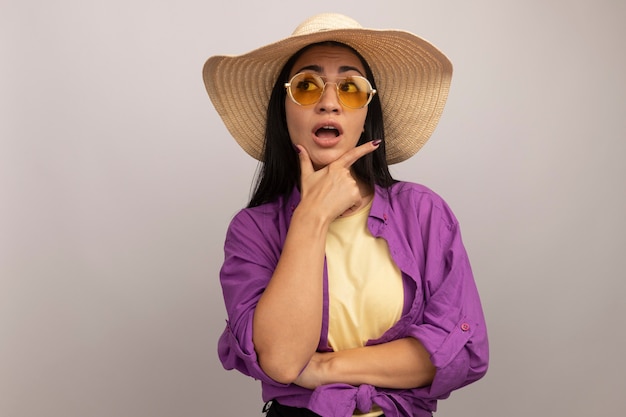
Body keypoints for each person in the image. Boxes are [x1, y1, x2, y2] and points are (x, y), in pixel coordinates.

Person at [202, 13, 489, 417]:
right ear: (283, 113)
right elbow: (282, 362)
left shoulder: (423, 213)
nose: (330, 101)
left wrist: (324, 368)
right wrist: (312, 216)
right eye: (306, 86)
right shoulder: (253, 231)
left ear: (366, 114)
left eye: (351, 88)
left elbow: (461, 351)